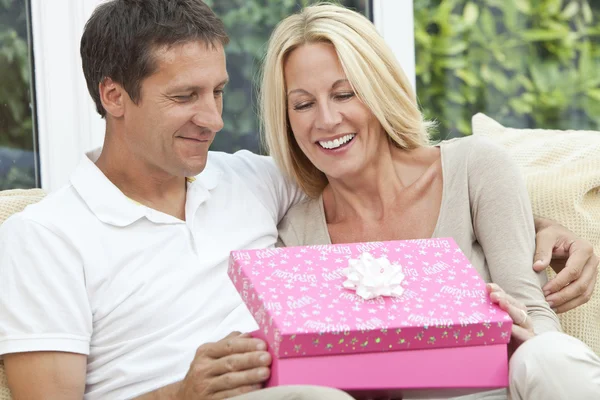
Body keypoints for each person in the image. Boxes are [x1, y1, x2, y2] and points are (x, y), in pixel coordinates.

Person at [0, 0, 595, 399]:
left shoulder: (250, 183)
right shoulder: (43, 238)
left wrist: (538, 224)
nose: (211, 119)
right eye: (186, 96)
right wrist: (180, 394)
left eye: (218, 92)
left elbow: (372, 176)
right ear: (114, 96)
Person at [261, 3, 600, 400]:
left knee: (548, 355)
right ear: (285, 119)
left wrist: (512, 332)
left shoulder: (476, 167)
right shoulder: (294, 235)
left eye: (344, 93)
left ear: (379, 90)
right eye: (303, 104)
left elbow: (537, 315)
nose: (327, 119)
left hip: (502, 386)